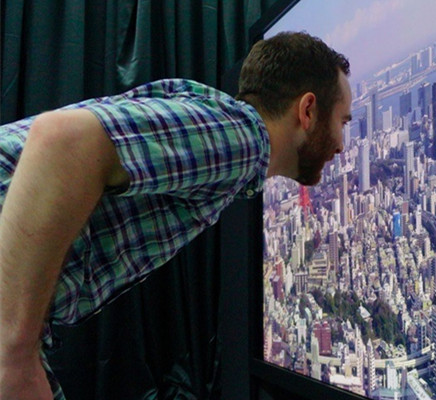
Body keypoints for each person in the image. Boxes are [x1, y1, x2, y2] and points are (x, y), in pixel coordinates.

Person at [0, 31, 352, 399]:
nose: (342, 145)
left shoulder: (215, 119)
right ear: (307, 111)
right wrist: (16, 353)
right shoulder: (245, 138)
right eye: (342, 121)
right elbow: (62, 140)